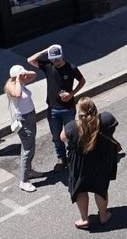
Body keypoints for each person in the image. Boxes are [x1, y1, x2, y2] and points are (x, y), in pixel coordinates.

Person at [61, 98, 120, 230]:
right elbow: (112, 129)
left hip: (80, 165)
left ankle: (84, 219)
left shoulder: (72, 127)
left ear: (79, 113)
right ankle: (104, 215)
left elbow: (62, 137)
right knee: (100, 188)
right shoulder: (106, 120)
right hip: (101, 162)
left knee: (81, 190)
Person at [26, 43, 85, 171]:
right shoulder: (48, 66)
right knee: (56, 137)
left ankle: (72, 156)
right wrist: (45, 50)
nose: (55, 61)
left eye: (57, 58)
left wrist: (72, 94)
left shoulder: (72, 68)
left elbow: (82, 81)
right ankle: (61, 159)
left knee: (70, 135)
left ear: (62, 55)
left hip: (68, 108)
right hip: (53, 109)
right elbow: (30, 60)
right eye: (52, 59)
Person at [4, 64, 39, 192]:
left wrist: (23, 73)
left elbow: (34, 75)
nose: (24, 76)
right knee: (28, 149)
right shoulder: (12, 86)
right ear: (14, 77)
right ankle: (24, 181)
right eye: (20, 74)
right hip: (24, 120)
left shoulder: (21, 82)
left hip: (30, 116)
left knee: (30, 146)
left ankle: (28, 171)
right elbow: (18, 94)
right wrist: (18, 79)